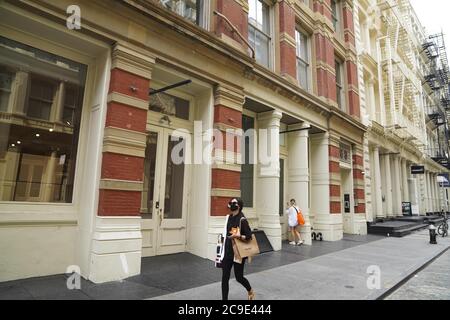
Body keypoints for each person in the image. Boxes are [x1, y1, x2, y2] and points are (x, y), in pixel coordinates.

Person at [221, 197, 255, 301]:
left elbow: (249, 236)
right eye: (230, 202)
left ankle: (250, 290)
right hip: (228, 252)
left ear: (238, 206)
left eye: (233, 203)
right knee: (224, 278)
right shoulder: (229, 217)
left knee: (239, 277)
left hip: (238, 253)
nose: (231, 204)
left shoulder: (242, 220)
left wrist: (238, 236)